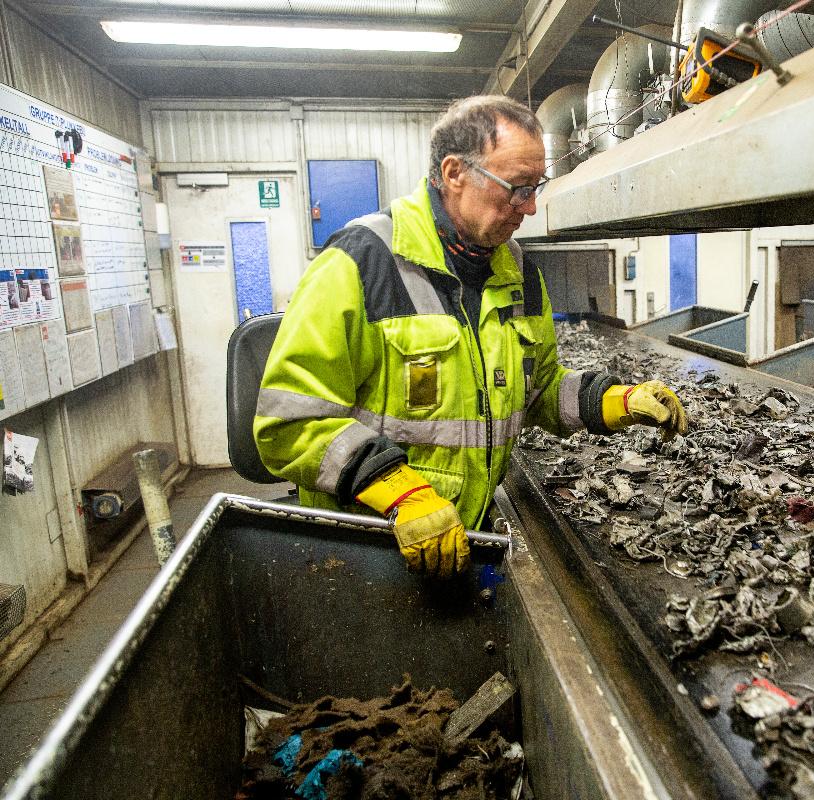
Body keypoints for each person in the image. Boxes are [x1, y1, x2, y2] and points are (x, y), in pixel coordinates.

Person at [254, 95, 688, 579]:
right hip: (368, 553)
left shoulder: (517, 272)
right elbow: (289, 425)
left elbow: (539, 388)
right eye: (517, 188)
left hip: (468, 539)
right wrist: (401, 492)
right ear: (455, 172)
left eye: (535, 187)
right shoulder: (358, 265)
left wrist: (614, 400)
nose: (530, 206)